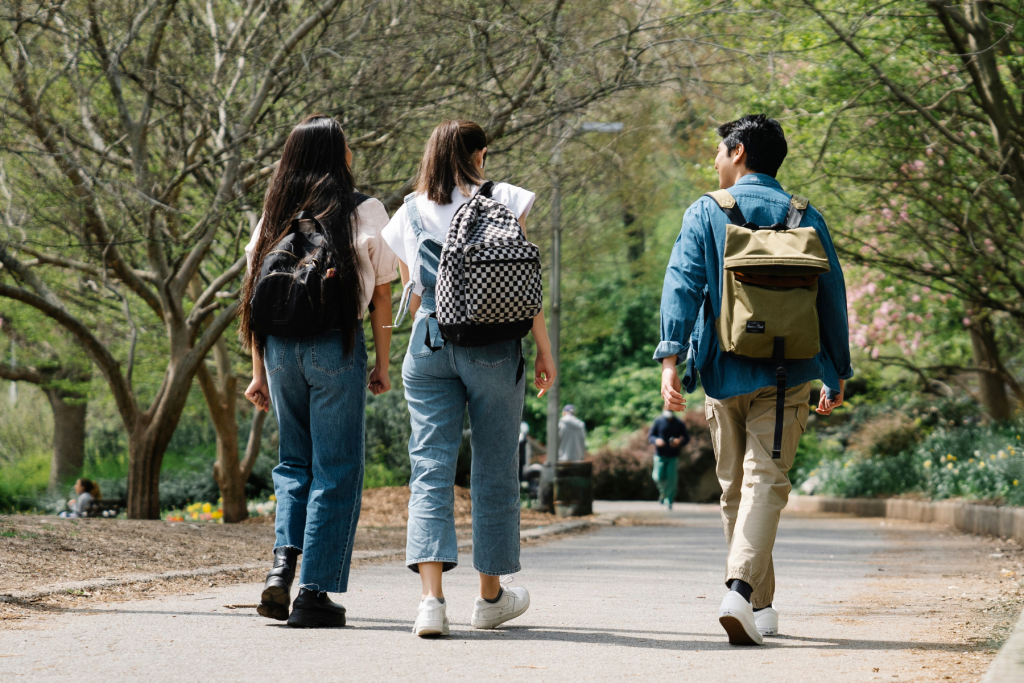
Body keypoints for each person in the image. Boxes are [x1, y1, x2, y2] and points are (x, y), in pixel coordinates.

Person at [656, 115, 851, 645]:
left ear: (738, 152)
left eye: (720, 151)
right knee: (760, 484)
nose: (715, 161)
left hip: (723, 371)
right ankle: (758, 605)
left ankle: (738, 590)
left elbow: (682, 285)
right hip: (790, 374)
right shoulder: (805, 215)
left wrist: (671, 358)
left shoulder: (706, 211)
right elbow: (832, 299)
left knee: (736, 491)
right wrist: (836, 371)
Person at [381, 119, 556, 637]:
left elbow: (411, 285)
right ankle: (489, 597)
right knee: (496, 468)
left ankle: (431, 603)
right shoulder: (506, 199)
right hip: (496, 348)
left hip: (429, 341)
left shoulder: (408, 211)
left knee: (430, 468)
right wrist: (544, 350)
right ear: (480, 155)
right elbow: (524, 284)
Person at [241, 114, 398, 628]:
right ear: (337, 155)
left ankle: (279, 571)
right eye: (346, 146)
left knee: (294, 464)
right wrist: (381, 361)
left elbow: (253, 297)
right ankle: (313, 592)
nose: (351, 153)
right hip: (336, 345)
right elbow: (381, 293)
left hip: (280, 350)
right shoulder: (364, 208)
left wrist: (259, 371)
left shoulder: (275, 211)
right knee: (336, 468)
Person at [648, 405, 690, 509]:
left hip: (673, 456)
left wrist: (679, 441)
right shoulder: (658, 421)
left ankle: (668, 500)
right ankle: (663, 493)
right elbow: (651, 436)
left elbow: (686, 438)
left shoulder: (679, 423)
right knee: (657, 476)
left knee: (672, 479)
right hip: (660, 455)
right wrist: (656, 441)